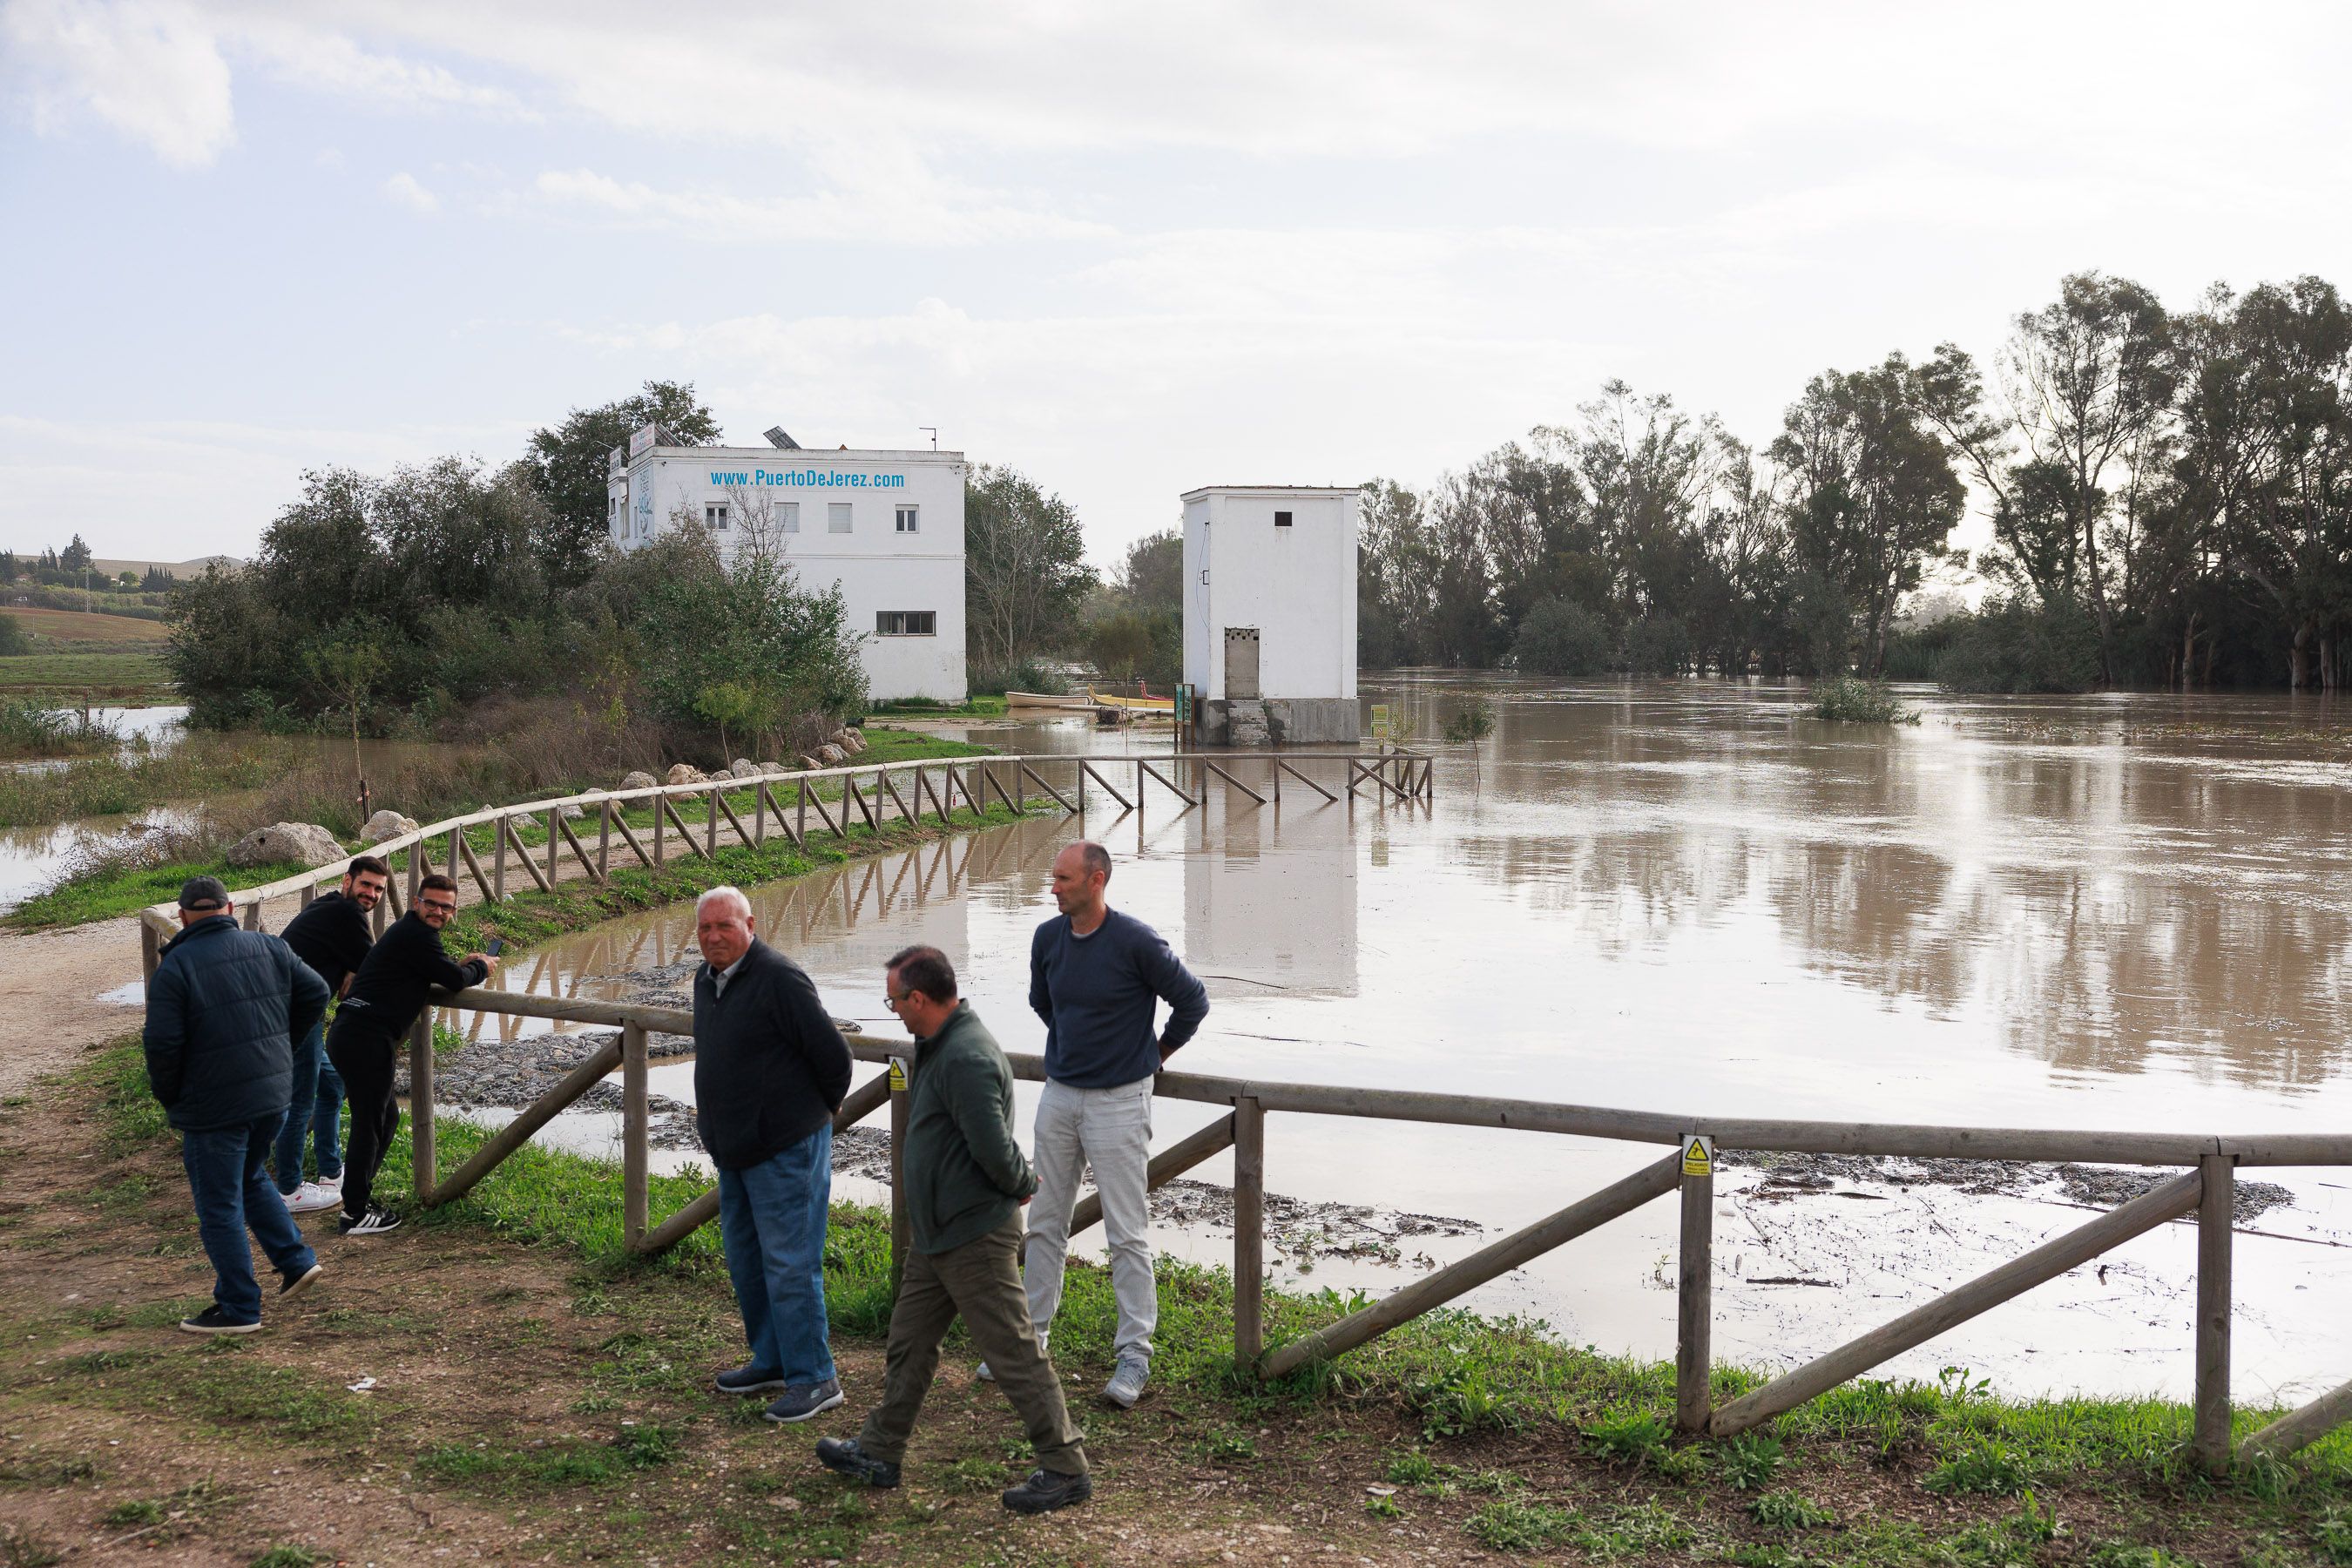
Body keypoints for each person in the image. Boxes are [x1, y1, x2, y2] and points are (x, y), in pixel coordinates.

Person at [818, 945, 1091, 1515]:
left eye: (893, 1000)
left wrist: (1021, 1181)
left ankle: (1065, 1467)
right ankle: (880, 1451)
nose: (891, 1009)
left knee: (1014, 1353)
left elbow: (993, 1146)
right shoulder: (939, 1043)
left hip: (973, 1235)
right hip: (938, 1233)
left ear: (919, 998)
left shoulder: (964, 1056)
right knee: (909, 1343)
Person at [1001, 840, 1207, 1409]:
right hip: (1061, 1095)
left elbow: (1192, 1001)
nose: (1054, 886)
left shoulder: (1136, 942)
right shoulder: (1048, 938)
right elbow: (1043, 1003)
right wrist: (1074, 1046)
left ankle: (1134, 1354)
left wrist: (1154, 1054)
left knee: (1126, 1231)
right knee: (1044, 1221)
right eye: (1054, 877)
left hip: (1121, 1099)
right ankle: (1029, 1342)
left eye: (1064, 878)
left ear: (1096, 881)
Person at [142, 875, 333, 1334]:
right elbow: (318, 992)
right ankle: (295, 1260)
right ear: (229, 910)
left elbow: (162, 1044)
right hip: (271, 1097)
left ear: (183, 917)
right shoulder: (271, 948)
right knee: (249, 1177)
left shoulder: (176, 967)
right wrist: (282, 1046)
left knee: (218, 1203)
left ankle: (240, 1307)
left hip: (214, 1106)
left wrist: (171, 1095)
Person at [692, 886, 854, 1423]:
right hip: (734, 1147)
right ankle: (774, 1359)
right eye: (706, 928)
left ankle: (815, 1376)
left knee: (791, 1263)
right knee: (747, 1260)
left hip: (785, 1147)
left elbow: (834, 1059)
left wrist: (805, 1119)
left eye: (725, 927)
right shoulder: (706, 979)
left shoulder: (780, 978)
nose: (714, 937)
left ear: (751, 925)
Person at [326, 871, 496, 1236]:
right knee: (369, 1124)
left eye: (445, 907)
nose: (438, 911)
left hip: (355, 1033)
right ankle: (354, 1212)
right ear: (416, 902)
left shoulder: (412, 933)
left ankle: (358, 1198)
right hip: (365, 1037)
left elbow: (436, 969)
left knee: (384, 1121)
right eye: (431, 903)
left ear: (454, 911)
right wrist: (481, 967)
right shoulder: (417, 935)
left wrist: (458, 966)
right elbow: (452, 980)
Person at [274, 855, 389, 1215]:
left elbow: (353, 957)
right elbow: (377, 968)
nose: (370, 894)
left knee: (332, 1084)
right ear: (347, 881)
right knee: (301, 1099)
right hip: (295, 1011)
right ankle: (289, 1189)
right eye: (365, 885)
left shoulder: (328, 904)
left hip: (286, 1006)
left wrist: (348, 968)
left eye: (378, 889)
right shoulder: (349, 914)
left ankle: (330, 1171)